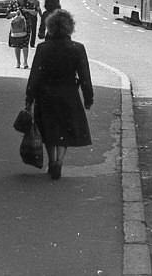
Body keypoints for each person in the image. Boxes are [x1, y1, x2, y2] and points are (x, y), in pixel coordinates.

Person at [25, 9, 93, 180]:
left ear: (50, 27)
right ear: (70, 28)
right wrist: (88, 98)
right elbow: (85, 76)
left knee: (48, 129)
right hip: (68, 94)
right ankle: (59, 161)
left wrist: (29, 98)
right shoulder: (77, 48)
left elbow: (35, 74)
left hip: (45, 94)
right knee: (64, 128)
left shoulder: (43, 48)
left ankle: (52, 160)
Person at [7, 0, 37, 69]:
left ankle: (25, 62)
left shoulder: (29, 3)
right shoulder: (13, 3)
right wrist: (15, 13)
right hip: (15, 27)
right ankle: (18, 62)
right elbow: (8, 14)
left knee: (25, 45)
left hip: (26, 27)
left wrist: (27, 10)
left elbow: (35, 12)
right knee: (16, 45)